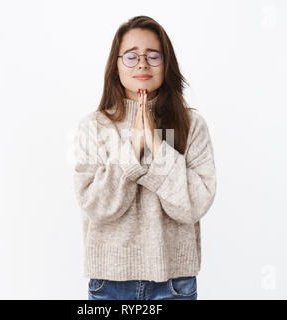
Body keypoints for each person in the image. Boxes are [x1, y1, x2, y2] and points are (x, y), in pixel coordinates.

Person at [73, 15, 216, 300]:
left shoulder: (192, 124)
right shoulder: (94, 126)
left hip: (175, 282)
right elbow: (95, 204)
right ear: (116, 63)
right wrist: (134, 148)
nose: (142, 64)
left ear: (167, 63)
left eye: (153, 55)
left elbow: (195, 204)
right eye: (131, 56)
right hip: (108, 284)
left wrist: (155, 143)